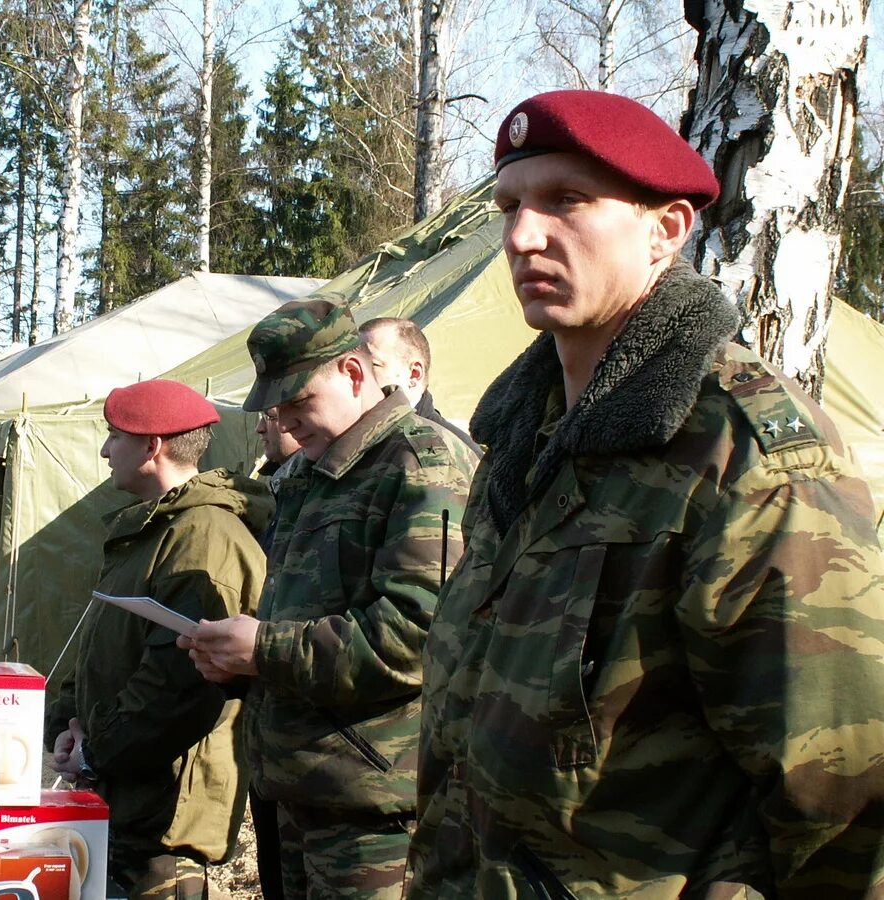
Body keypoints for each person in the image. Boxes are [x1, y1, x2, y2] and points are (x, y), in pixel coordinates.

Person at [408, 89, 884, 897]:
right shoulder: (521, 441)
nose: (523, 236)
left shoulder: (743, 454)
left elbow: (843, 798)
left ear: (665, 232)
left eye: (568, 201)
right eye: (510, 206)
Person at [178, 299, 474, 899]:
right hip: (300, 790)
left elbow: (417, 636)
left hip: (378, 809)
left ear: (355, 373)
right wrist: (233, 658)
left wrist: (262, 649)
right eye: (275, 407)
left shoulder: (422, 463)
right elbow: (294, 614)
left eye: (299, 402)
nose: (284, 422)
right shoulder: (312, 475)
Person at [46, 379, 274, 900]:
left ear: (152, 446)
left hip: (163, 811)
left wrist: (96, 752)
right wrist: (69, 723)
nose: (105, 451)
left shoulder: (204, 537)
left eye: (114, 437)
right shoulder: (152, 529)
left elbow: (178, 687)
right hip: (125, 794)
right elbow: (101, 644)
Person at [248, 406, 301, 900]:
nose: (262, 426)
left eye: (272, 414)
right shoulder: (280, 489)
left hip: (355, 770)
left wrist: (258, 647)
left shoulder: (422, 464)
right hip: (275, 752)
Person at [358, 317, 480, 456]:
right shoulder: (361, 434)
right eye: (351, 364)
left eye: (372, 364)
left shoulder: (448, 451)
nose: (353, 375)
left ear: (414, 374)